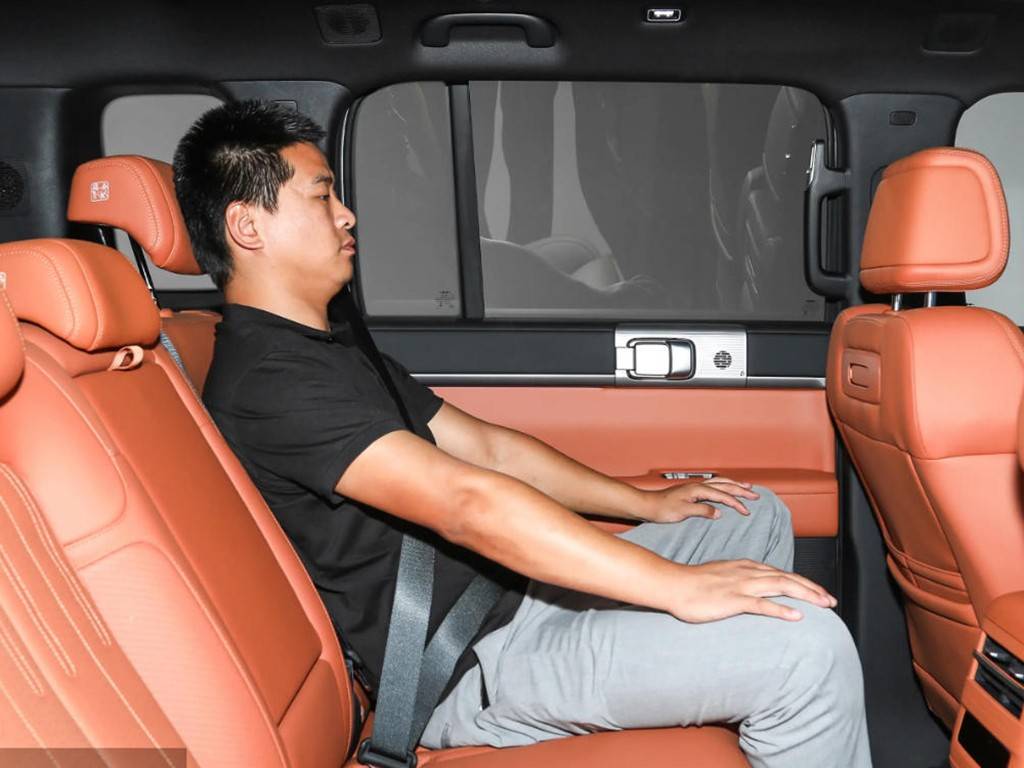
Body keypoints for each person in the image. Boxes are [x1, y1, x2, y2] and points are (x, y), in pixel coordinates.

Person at [175, 99, 871, 768]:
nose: (346, 213)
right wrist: (676, 589)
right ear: (248, 226)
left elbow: (488, 449)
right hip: (468, 665)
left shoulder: (328, 347)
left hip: (512, 598)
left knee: (749, 512)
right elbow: (467, 503)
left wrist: (643, 501)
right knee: (810, 651)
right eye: (322, 195)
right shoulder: (271, 380)